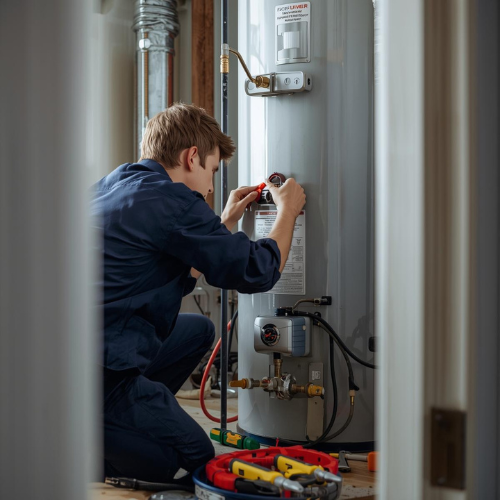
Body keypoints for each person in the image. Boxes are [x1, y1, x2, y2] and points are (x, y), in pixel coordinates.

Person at [91, 103, 306, 483]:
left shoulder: (113, 184)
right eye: (211, 170)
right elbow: (257, 270)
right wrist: (288, 210)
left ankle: (131, 421)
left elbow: (163, 253)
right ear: (191, 157)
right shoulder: (174, 201)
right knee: (193, 455)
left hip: (67, 362)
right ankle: (105, 434)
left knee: (199, 331)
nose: (209, 187)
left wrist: (222, 225)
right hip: (104, 373)